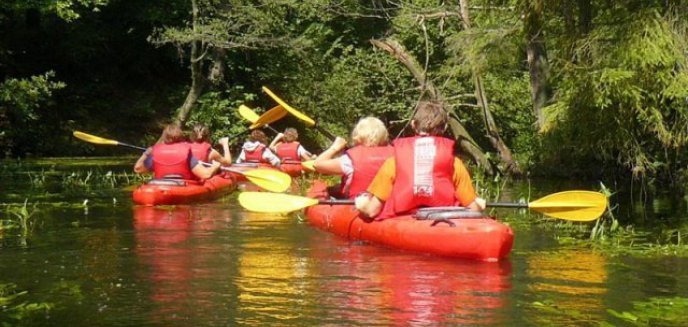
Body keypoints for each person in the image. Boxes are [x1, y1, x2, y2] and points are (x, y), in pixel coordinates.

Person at [356, 101, 485, 218]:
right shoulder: (454, 163)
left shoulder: (394, 162)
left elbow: (372, 211)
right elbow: (473, 209)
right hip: (442, 222)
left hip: (405, 224)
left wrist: (362, 204)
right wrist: (480, 204)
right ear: (444, 128)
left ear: (413, 124)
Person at [313, 117, 393, 199]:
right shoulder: (395, 154)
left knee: (318, 190)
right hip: (387, 206)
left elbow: (317, 164)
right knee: (336, 188)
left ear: (358, 135)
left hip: (357, 207)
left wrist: (335, 147)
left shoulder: (350, 160)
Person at [134, 123, 220, 180]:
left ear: (164, 137)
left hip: (160, 186)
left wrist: (146, 154)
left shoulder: (155, 152)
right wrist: (215, 166)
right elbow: (205, 175)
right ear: (180, 137)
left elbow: (138, 169)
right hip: (182, 186)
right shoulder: (186, 152)